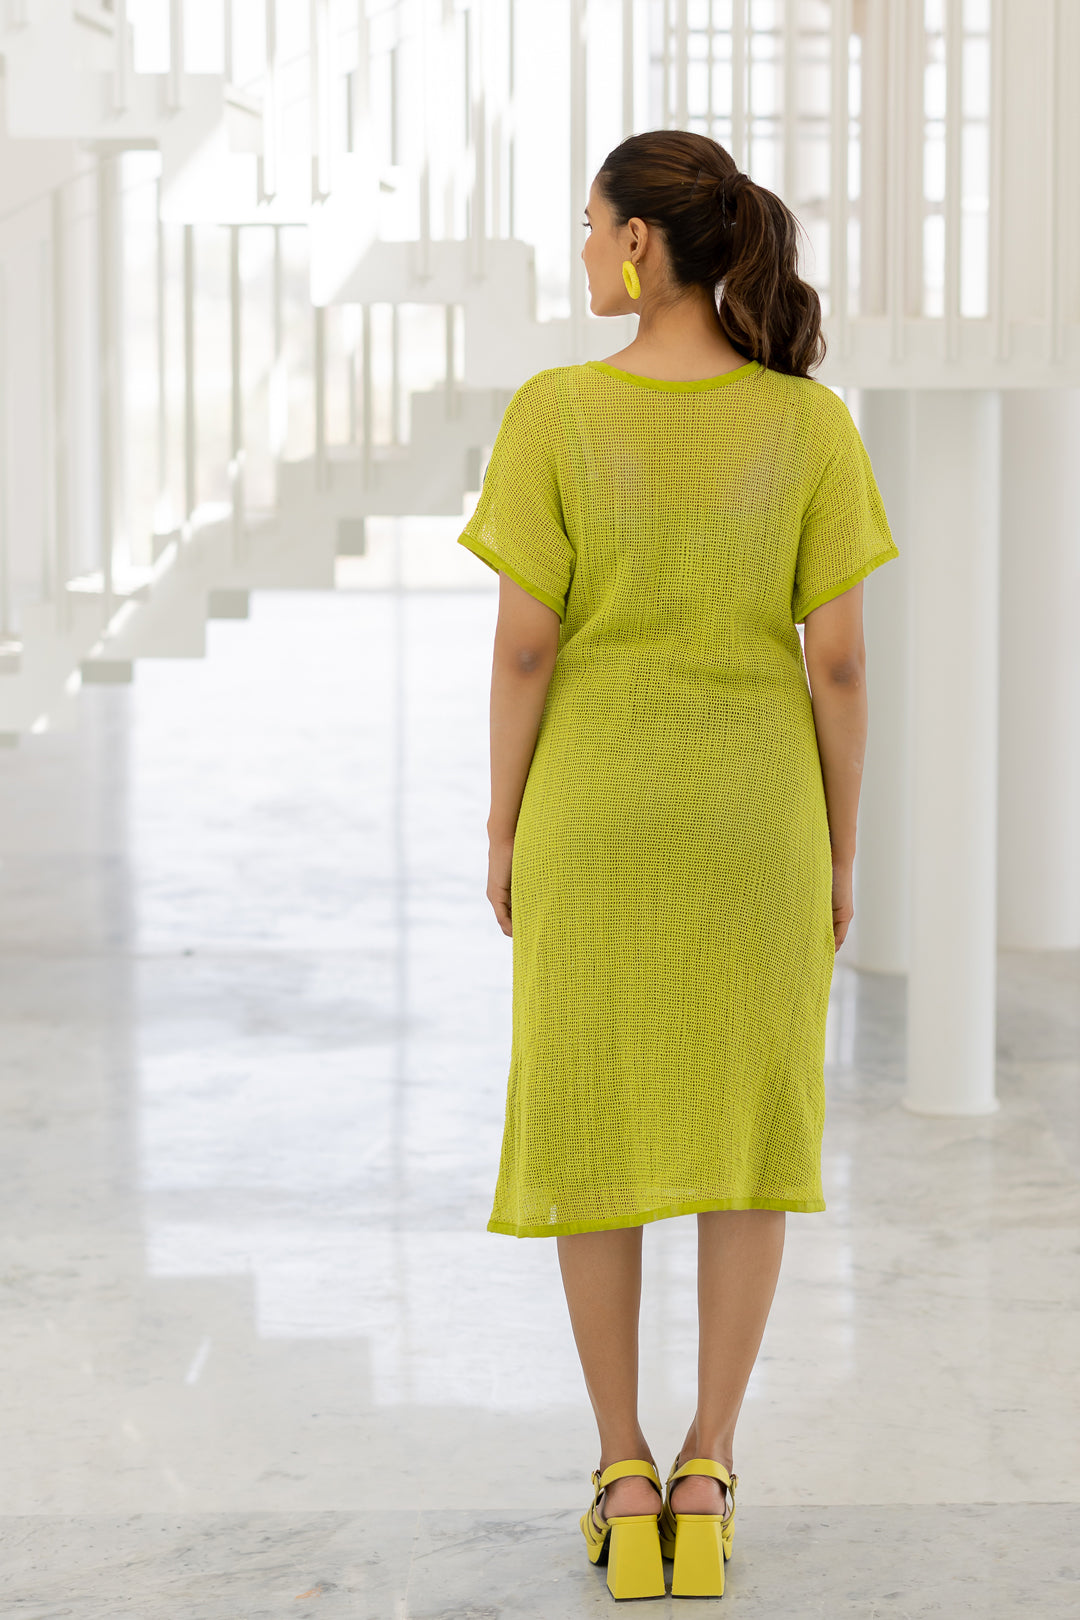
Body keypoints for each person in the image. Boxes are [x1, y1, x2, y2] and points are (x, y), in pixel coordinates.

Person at [456, 129, 899, 1601]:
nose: (584, 250)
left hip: (597, 814)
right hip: (755, 819)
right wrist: (839, 848)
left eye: (590, 225)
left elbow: (527, 647)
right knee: (747, 1133)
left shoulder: (556, 413)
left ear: (641, 241)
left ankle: (623, 1473)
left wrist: (506, 821)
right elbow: (840, 666)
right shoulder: (809, 426)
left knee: (595, 1126)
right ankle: (710, 1472)